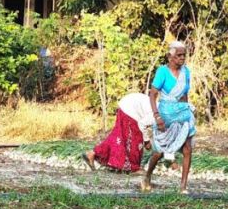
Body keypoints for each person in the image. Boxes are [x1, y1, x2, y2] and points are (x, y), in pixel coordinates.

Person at [142, 41, 196, 194]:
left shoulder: (186, 72)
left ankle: (183, 186)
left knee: (187, 148)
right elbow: (152, 95)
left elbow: (185, 94)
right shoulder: (162, 72)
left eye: (184, 55)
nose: (182, 58)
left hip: (182, 113)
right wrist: (157, 116)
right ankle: (147, 176)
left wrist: (188, 110)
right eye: (179, 55)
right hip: (165, 114)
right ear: (170, 57)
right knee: (159, 151)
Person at [84, 92, 155, 173]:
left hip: (127, 105)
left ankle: (92, 154)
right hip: (130, 109)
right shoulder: (158, 115)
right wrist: (146, 141)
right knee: (135, 139)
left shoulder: (163, 112)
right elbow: (143, 124)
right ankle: (134, 168)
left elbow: (151, 129)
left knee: (117, 138)